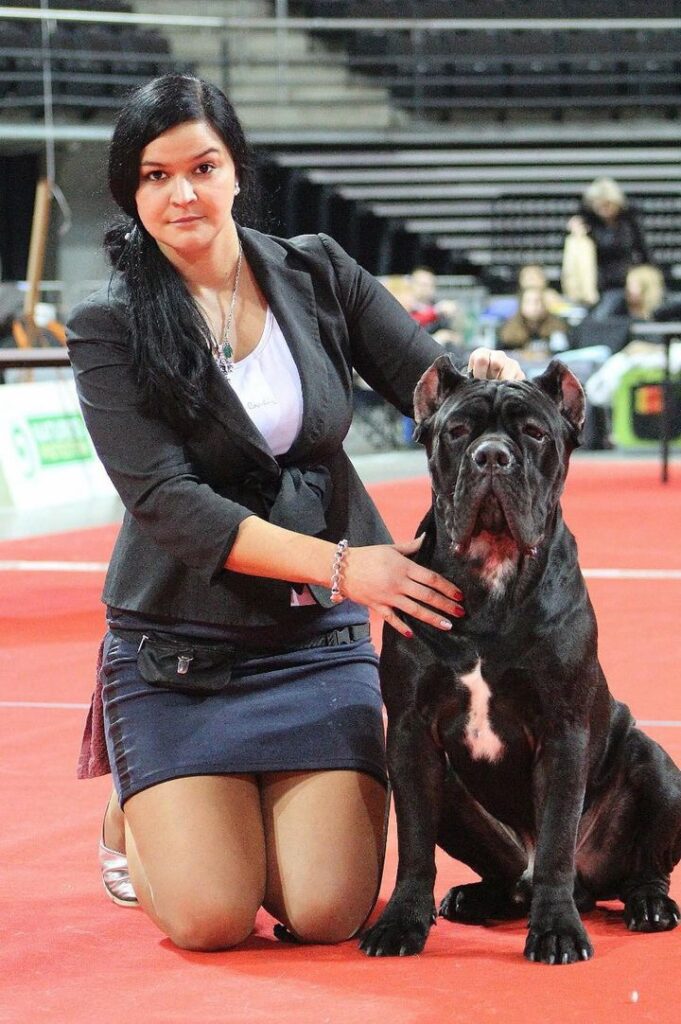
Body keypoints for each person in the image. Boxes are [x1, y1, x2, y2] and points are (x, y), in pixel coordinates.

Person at [66, 73, 522, 953]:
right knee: (211, 920)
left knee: (327, 914)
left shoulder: (317, 271)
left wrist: (486, 381)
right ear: (131, 191)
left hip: (312, 644)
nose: (182, 193)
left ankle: (213, 815)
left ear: (237, 170)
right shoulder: (107, 324)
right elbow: (168, 502)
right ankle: (136, 799)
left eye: (202, 167)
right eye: (155, 176)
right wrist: (346, 567)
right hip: (180, 653)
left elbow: (433, 391)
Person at [565, 177, 650, 320]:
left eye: (608, 204)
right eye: (599, 204)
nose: (604, 208)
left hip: (623, 283)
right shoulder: (587, 224)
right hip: (596, 285)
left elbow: (643, 251)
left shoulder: (628, 223)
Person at [497, 286, 569, 354]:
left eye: (537, 301)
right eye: (528, 302)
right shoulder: (507, 329)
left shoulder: (558, 327)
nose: (534, 306)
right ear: (521, 305)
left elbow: (562, 353)